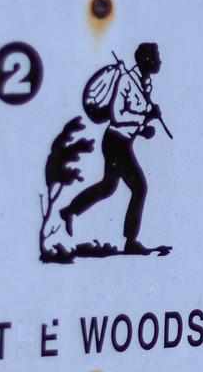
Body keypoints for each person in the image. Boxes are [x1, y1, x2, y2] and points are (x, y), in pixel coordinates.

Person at [61, 42, 163, 252]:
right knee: (139, 188)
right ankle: (130, 241)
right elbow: (117, 115)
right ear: (146, 60)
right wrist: (145, 117)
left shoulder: (146, 84)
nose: (159, 61)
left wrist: (144, 128)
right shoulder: (127, 80)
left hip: (125, 141)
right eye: (156, 57)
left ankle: (70, 210)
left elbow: (133, 120)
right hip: (115, 142)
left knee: (107, 187)